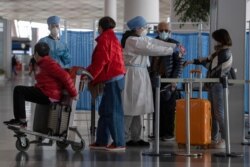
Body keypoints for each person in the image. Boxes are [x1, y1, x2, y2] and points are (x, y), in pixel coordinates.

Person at [121, 16, 185, 147]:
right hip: (133, 75)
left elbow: (155, 43)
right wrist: (172, 50)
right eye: (145, 28)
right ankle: (124, 137)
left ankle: (136, 137)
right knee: (130, 107)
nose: (146, 30)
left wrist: (175, 45)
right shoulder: (132, 40)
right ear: (137, 28)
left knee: (138, 108)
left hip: (140, 74)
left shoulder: (140, 39)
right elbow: (151, 48)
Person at [3, 42, 77, 127]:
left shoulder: (49, 63)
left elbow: (65, 76)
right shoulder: (43, 63)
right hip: (46, 92)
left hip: (49, 95)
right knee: (20, 91)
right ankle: (20, 120)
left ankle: (20, 120)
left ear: (36, 53)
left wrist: (73, 93)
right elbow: (45, 80)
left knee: (18, 90)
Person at [184, 29, 233, 149]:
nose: (215, 42)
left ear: (221, 39)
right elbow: (207, 61)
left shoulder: (224, 53)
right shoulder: (219, 52)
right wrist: (192, 61)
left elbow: (210, 65)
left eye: (216, 39)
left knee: (219, 114)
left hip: (218, 85)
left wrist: (197, 62)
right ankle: (214, 138)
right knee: (214, 113)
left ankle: (224, 140)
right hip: (213, 84)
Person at [87, 16, 126, 152]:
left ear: (101, 27)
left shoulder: (105, 39)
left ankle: (119, 143)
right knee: (104, 111)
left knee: (113, 112)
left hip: (113, 79)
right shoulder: (113, 38)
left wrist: (90, 76)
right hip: (114, 78)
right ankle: (102, 141)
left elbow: (101, 61)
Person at [148, 21, 185, 141]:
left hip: (168, 79)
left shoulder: (176, 45)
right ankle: (157, 132)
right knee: (156, 107)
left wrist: (174, 81)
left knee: (168, 108)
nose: (164, 32)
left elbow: (179, 65)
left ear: (170, 32)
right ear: (157, 30)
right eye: (161, 30)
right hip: (154, 78)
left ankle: (168, 133)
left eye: (166, 30)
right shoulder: (151, 43)